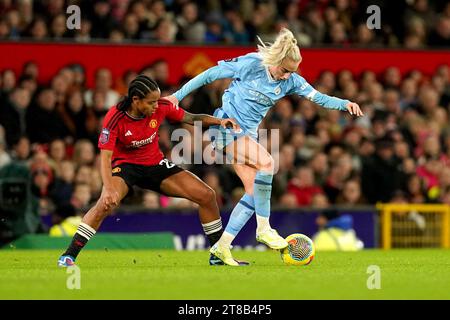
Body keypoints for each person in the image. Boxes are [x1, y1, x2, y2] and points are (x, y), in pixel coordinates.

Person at [166, 28, 363, 265]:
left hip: (248, 135)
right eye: (283, 70)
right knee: (268, 163)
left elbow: (318, 97)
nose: (285, 76)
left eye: (291, 72)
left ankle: (221, 249)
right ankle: (264, 229)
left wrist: (345, 103)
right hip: (226, 127)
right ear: (275, 60)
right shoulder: (252, 64)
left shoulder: (291, 81)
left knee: (253, 193)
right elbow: (210, 74)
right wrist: (177, 96)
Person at [57, 75, 242, 267]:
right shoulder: (115, 118)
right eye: (151, 102)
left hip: (155, 165)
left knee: (206, 195)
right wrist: (109, 187)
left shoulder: (160, 106)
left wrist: (219, 122)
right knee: (105, 204)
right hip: (125, 167)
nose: (156, 106)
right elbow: (105, 157)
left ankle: (218, 254)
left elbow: (191, 117)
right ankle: (68, 256)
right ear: (136, 100)